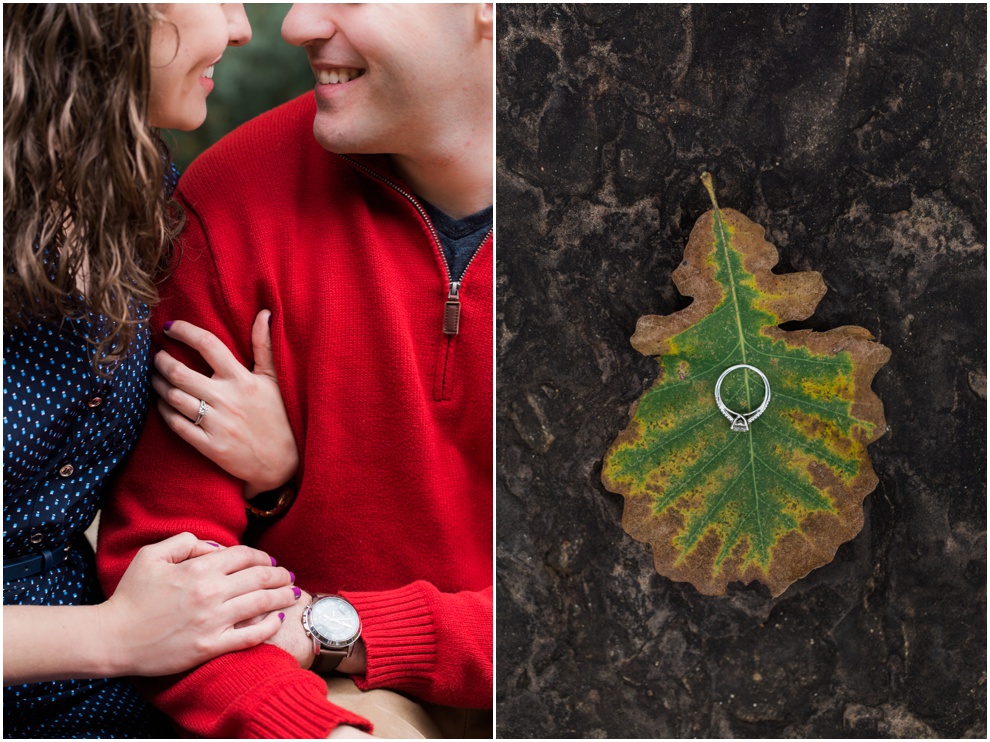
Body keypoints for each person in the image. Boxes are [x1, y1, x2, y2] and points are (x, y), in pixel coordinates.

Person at [96, 3, 494, 738]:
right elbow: (172, 570)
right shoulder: (230, 197)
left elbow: (668, 593)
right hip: (327, 692)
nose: (296, 25)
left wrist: (341, 622)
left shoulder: (664, 223)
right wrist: (314, 730)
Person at [3, 4, 302, 737]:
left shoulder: (143, 193)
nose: (241, 30)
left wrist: (269, 470)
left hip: (102, 688)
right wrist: (116, 636)